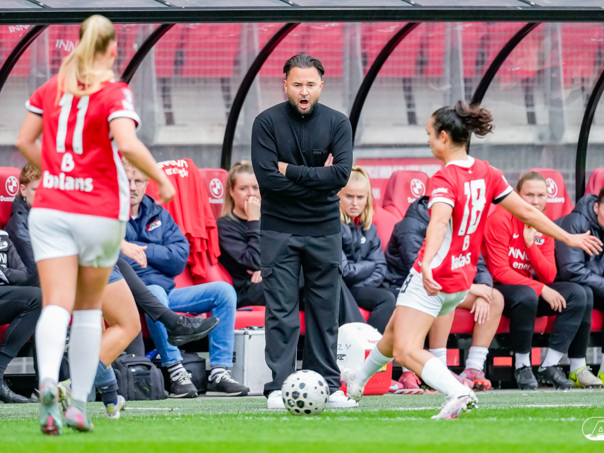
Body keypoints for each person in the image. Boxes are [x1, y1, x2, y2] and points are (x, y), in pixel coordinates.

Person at [341, 101, 602, 419]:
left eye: (429, 134)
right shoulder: (487, 172)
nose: (428, 140)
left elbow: (438, 222)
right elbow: (528, 211)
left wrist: (426, 264)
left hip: (434, 275)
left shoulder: (444, 178)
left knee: (405, 350)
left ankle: (458, 391)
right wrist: (568, 237)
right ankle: (357, 381)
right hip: (461, 280)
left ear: (444, 136)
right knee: (394, 333)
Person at [16, 15, 175, 435]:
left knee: (55, 305)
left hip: (51, 207)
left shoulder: (51, 88)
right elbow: (127, 143)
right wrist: (160, 178)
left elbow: (23, 140)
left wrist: (56, 171)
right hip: (97, 210)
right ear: (111, 51)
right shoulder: (113, 92)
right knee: (88, 312)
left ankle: (47, 383)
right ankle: (77, 404)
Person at [5, 163, 218, 357]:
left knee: (116, 272)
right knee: (120, 300)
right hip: (40, 286)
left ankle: (140, 362)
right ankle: (170, 325)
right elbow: (39, 269)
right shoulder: (20, 225)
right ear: (23, 190)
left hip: (65, 279)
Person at [251, 53, 357, 410]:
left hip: (324, 229)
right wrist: (318, 182)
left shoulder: (338, 123)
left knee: (325, 313)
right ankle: (278, 388)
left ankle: (329, 385)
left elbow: (340, 176)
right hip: (278, 230)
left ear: (321, 86)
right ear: (285, 85)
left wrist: (290, 170)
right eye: (297, 84)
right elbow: (268, 180)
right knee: (281, 312)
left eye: (311, 84)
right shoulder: (266, 123)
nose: (304, 91)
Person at [121, 164, 249, 397]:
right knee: (155, 293)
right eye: (127, 180)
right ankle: (176, 370)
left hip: (167, 292)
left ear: (147, 184)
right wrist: (157, 255)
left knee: (224, 291)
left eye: (138, 181)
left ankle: (219, 372)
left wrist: (142, 249)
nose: (132, 187)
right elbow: (117, 259)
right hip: (131, 294)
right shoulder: (108, 215)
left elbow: (179, 258)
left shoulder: (159, 213)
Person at [483, 171, 601, 390]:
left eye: (541, 196)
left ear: (548, 198)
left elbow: (548, 275)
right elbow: (499, 271)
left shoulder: (544, 224)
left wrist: (531, 246)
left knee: (580, 292)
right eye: (529, 195)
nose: (535, 201)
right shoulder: (500, 218)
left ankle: (550, 365)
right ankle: (522, 366)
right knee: (528, 294)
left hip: (528, 289)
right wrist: (541, 289)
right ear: (516, 195)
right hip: (501, 289)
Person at [385, 195, 504, 392]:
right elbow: (419, 270)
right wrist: (470, 287)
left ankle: (473, 369)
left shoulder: (462, 226)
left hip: (449, 285)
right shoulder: (411, 225)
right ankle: (436, 367)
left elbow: (478, 264)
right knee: (444, 294)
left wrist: (484, 289)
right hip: (408, 287)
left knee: (495, 299)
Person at [556, 186, 604, 385]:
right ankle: (577, 368)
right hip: (562, 285)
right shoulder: (576, 222)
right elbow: (571, 270)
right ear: (596, 207)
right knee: (585, 293)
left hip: (594, 284)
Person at [339, 166, 395, 334]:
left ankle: (383, 348)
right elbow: (344, 271)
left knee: (399, 297)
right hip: (341, 290)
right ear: (338, 196)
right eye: (349, 196)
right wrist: (369, 265)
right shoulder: (333, 226)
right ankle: (367, 345)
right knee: (385, 298)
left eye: (360, 197)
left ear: (367, 199)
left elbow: (380, 268)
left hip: (358, 287)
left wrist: (362, 279)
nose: (355, 203)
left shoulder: (369, 228)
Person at [0, 229, 41, 403]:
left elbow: (23, 274)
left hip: (4, 293)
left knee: (38, 297)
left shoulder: (3, 237)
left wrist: (2, 272)